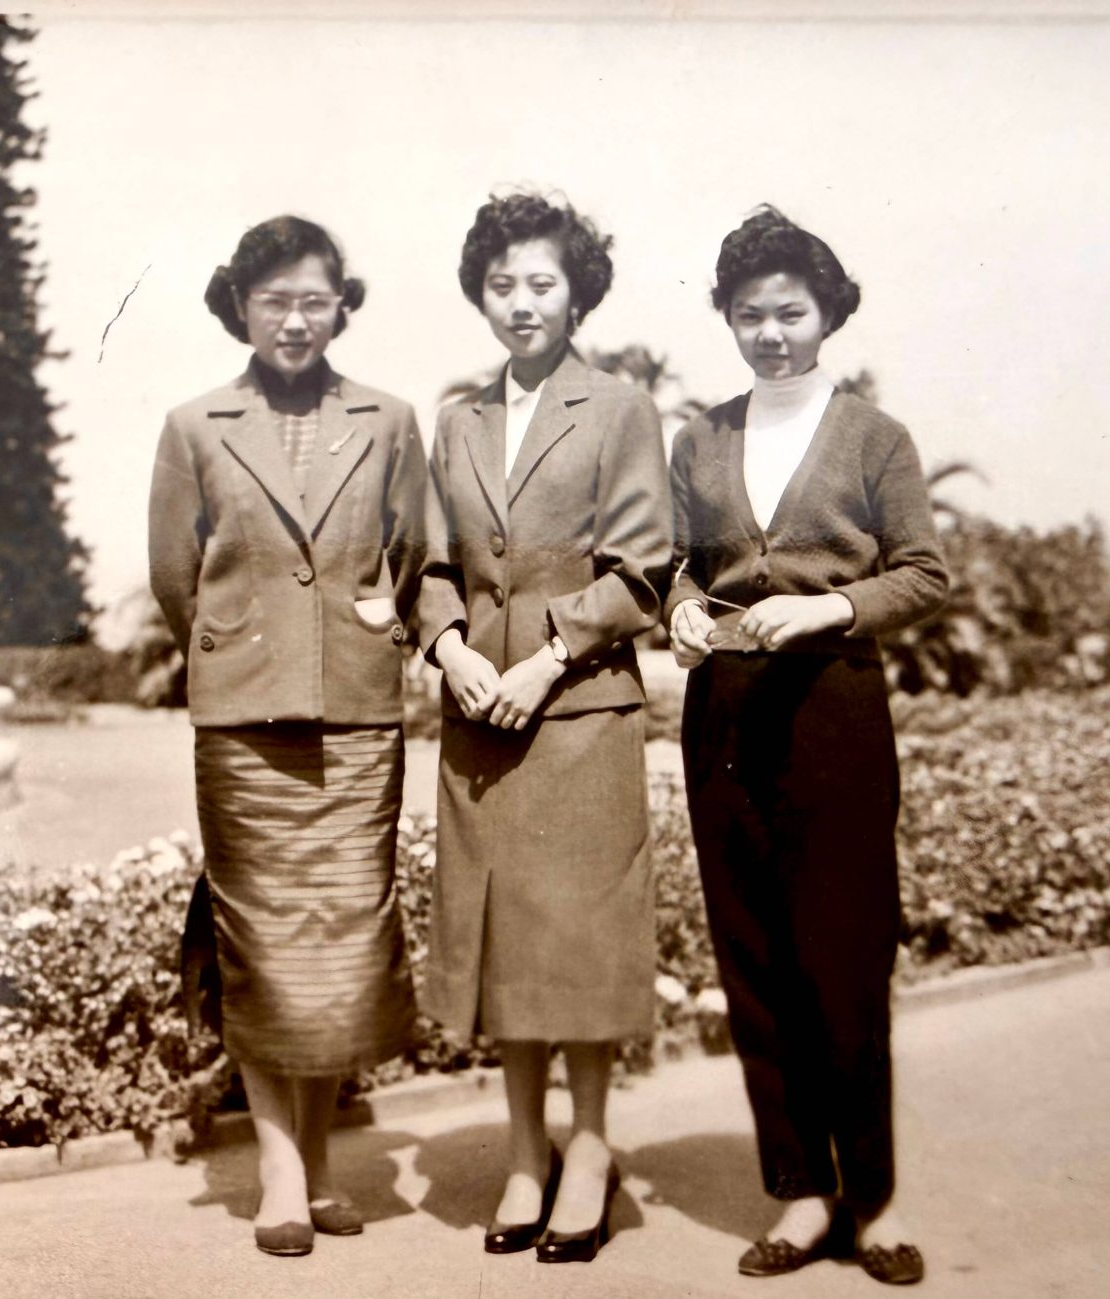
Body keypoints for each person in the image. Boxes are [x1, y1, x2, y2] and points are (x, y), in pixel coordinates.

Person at [666, 205, 948, 1286]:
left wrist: (831, 610)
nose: (770, 332)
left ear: (827, 311)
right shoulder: (701, 437)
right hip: (724, 715)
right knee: (754, 959)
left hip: (832, 707)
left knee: (841, 959)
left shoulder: (875, 436)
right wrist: (681, 610)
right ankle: (801, 1193)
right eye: (750, 315)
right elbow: (679, 567)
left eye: (790, 311)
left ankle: (870, 1201)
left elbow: (923, 573)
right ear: (728, 322)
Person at [148, 215, 425, 1258]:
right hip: (244, 724)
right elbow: (177, 577)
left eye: (314, 299)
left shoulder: (391, 419)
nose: (295, 320)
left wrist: (362, 629)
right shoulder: (192, 424)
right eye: (274, 301)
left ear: (341, 304)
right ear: (241, 307)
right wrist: (243, 651)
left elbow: (414, 553)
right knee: (261, 948)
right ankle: (280, 1172)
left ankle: (316, 1165)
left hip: (357, 717)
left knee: (340, 946)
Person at [418, 191, 671, 1264]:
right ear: (480, 293)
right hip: (481, 718)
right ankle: (525, 1155)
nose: (521, 303)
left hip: (577, 716)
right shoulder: (457, 421)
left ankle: (593, 1150)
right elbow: (427, 570)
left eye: (542, 283)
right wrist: (456, 654)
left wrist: (548, 658)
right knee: (506, 944)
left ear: (578, 294)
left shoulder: (617, 410)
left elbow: (641, 570)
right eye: (502, 284)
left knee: (577, 945)